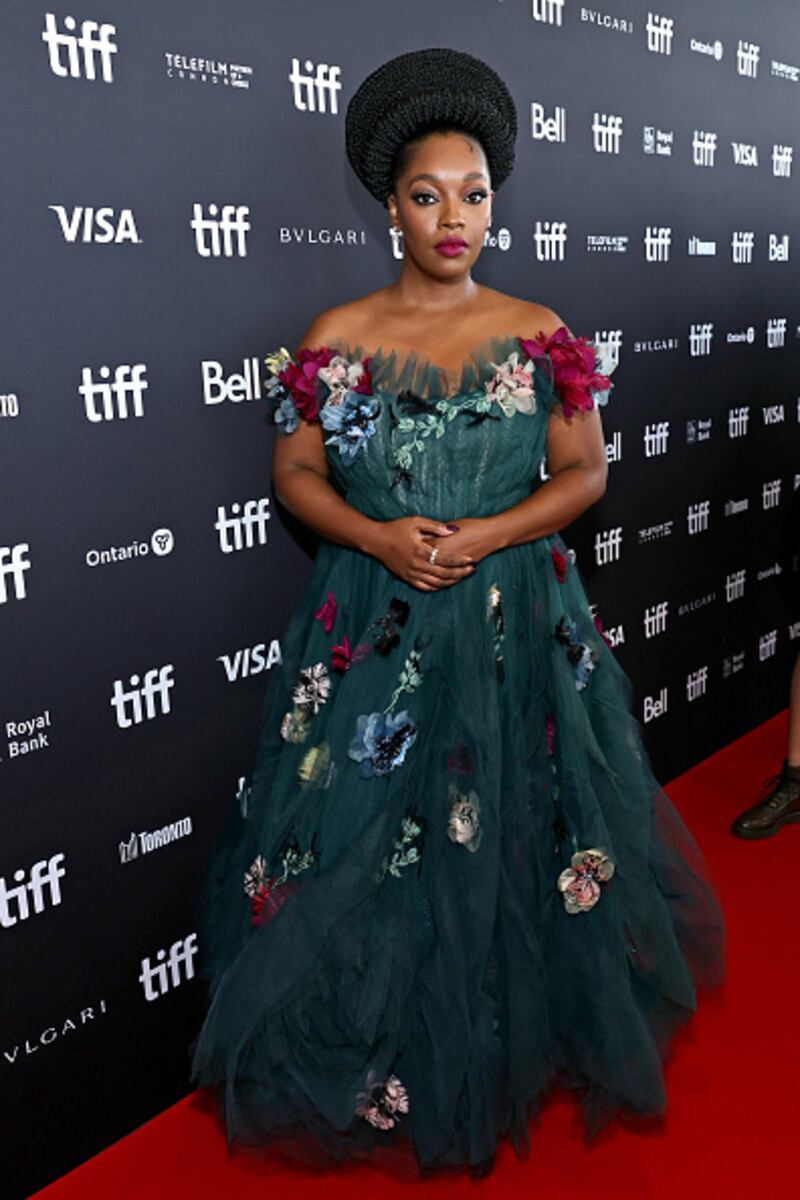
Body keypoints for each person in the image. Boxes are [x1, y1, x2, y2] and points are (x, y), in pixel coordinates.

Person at [189, 48, 726, 1176]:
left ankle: (504, 1034)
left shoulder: (537, 331)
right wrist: (379, 535)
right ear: (390, 207)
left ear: (494, 203)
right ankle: (376, 1044)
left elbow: (585, 472)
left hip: (511, 617)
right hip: (373, 616)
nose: (452, 219)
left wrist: (486, 534)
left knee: (513, 820)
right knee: (365, 834)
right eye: (427, 196)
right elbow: (294, 475)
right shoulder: (335, 337)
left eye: (472, 195)